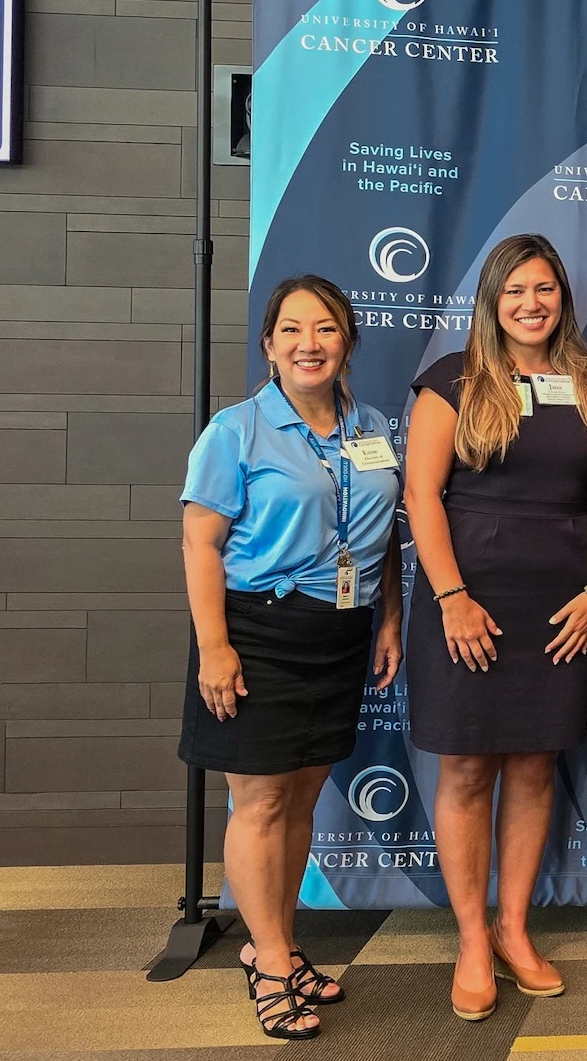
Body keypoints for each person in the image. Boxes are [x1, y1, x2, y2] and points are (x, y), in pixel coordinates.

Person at [178, 275, 404, 1039]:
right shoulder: (236, 431)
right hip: (257, 634)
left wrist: (389, 620)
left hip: (340, 633)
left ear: (348, 341)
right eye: (293, 331)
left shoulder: (371, 425)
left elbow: (385, 539)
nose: (310, 344)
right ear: (269, 345)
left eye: (327, 330)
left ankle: (277, 943)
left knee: (299, 802)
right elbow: (200, 543)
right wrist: (215, 648)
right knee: (260, 802)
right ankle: (270, 960)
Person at [404, 234, 587, 1021]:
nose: (532, 304)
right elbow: (422, 498)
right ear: (492, 301)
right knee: (466, 773)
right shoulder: (451, 383)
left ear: (563, 297)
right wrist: (452, 596)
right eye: (515, 291)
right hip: (470, 606)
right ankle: (469, 939)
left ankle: (515, 929)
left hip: (561, 612)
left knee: (533, 770)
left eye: (546, 289)